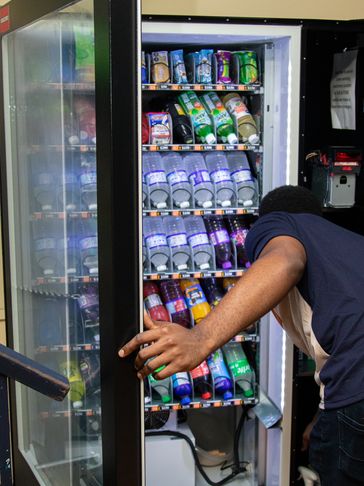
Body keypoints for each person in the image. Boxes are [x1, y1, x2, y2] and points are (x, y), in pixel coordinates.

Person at [119, 185, 364, 486]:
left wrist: (199, 338)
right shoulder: (348, 245)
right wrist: (324, 414)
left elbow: (286, 261)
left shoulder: (281, 224)